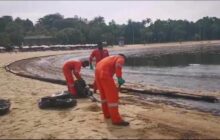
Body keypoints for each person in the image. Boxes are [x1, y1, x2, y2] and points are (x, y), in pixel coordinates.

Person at [95, 54, 129, 126]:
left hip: (98, 75)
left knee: (104, 97)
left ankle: (107, 114)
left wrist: (95, 84)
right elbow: (118, 65)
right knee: (112, 98)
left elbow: (98, 66)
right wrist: (119, 77)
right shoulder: (121, 58)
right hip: (105, 75)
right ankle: (116, 120)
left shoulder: (108, 58)